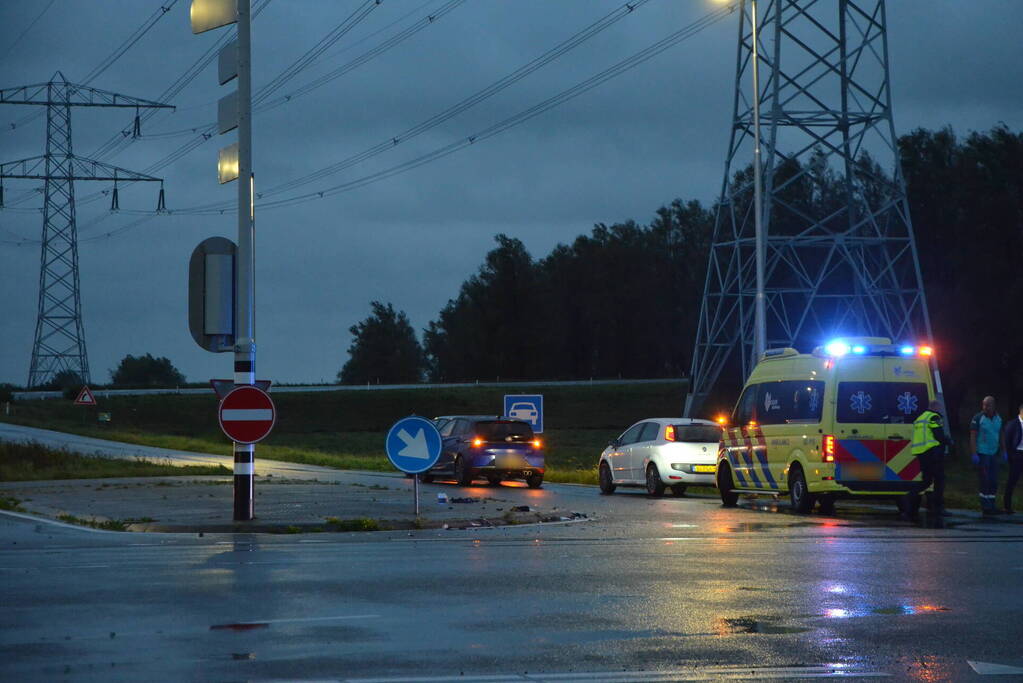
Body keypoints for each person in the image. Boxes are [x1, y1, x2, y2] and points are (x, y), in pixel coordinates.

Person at [910, 399, 951, 521]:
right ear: (936, 407)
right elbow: (938, 434)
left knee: (926, 481)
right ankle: (938, 507)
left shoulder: (921, 417)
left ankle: (909, 498)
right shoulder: (934, 417)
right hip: (932, 453)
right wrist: (948, 441)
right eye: (939, 407)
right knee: (940, 480)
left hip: (921, 454)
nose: (940, 410)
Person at [970, 395, 1005, 517]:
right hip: (983, 453)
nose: (985, 407)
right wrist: (974, 453)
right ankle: (985, 506)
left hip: (994, 453)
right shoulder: (978, 418)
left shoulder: (998, 418)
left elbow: (1000, 434)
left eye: (988, 405)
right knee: (985, 480)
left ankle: (992, 504)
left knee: (994, 480)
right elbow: (973, 436)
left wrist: (1004, 450)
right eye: (984, 404)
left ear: (993, 405)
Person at [1002, 403, 1023, 514]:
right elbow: (1007, 439)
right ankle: (1007, 506)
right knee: (1012, 481)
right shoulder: (1013, 424)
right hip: (1016, 455)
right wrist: (1008, 454)